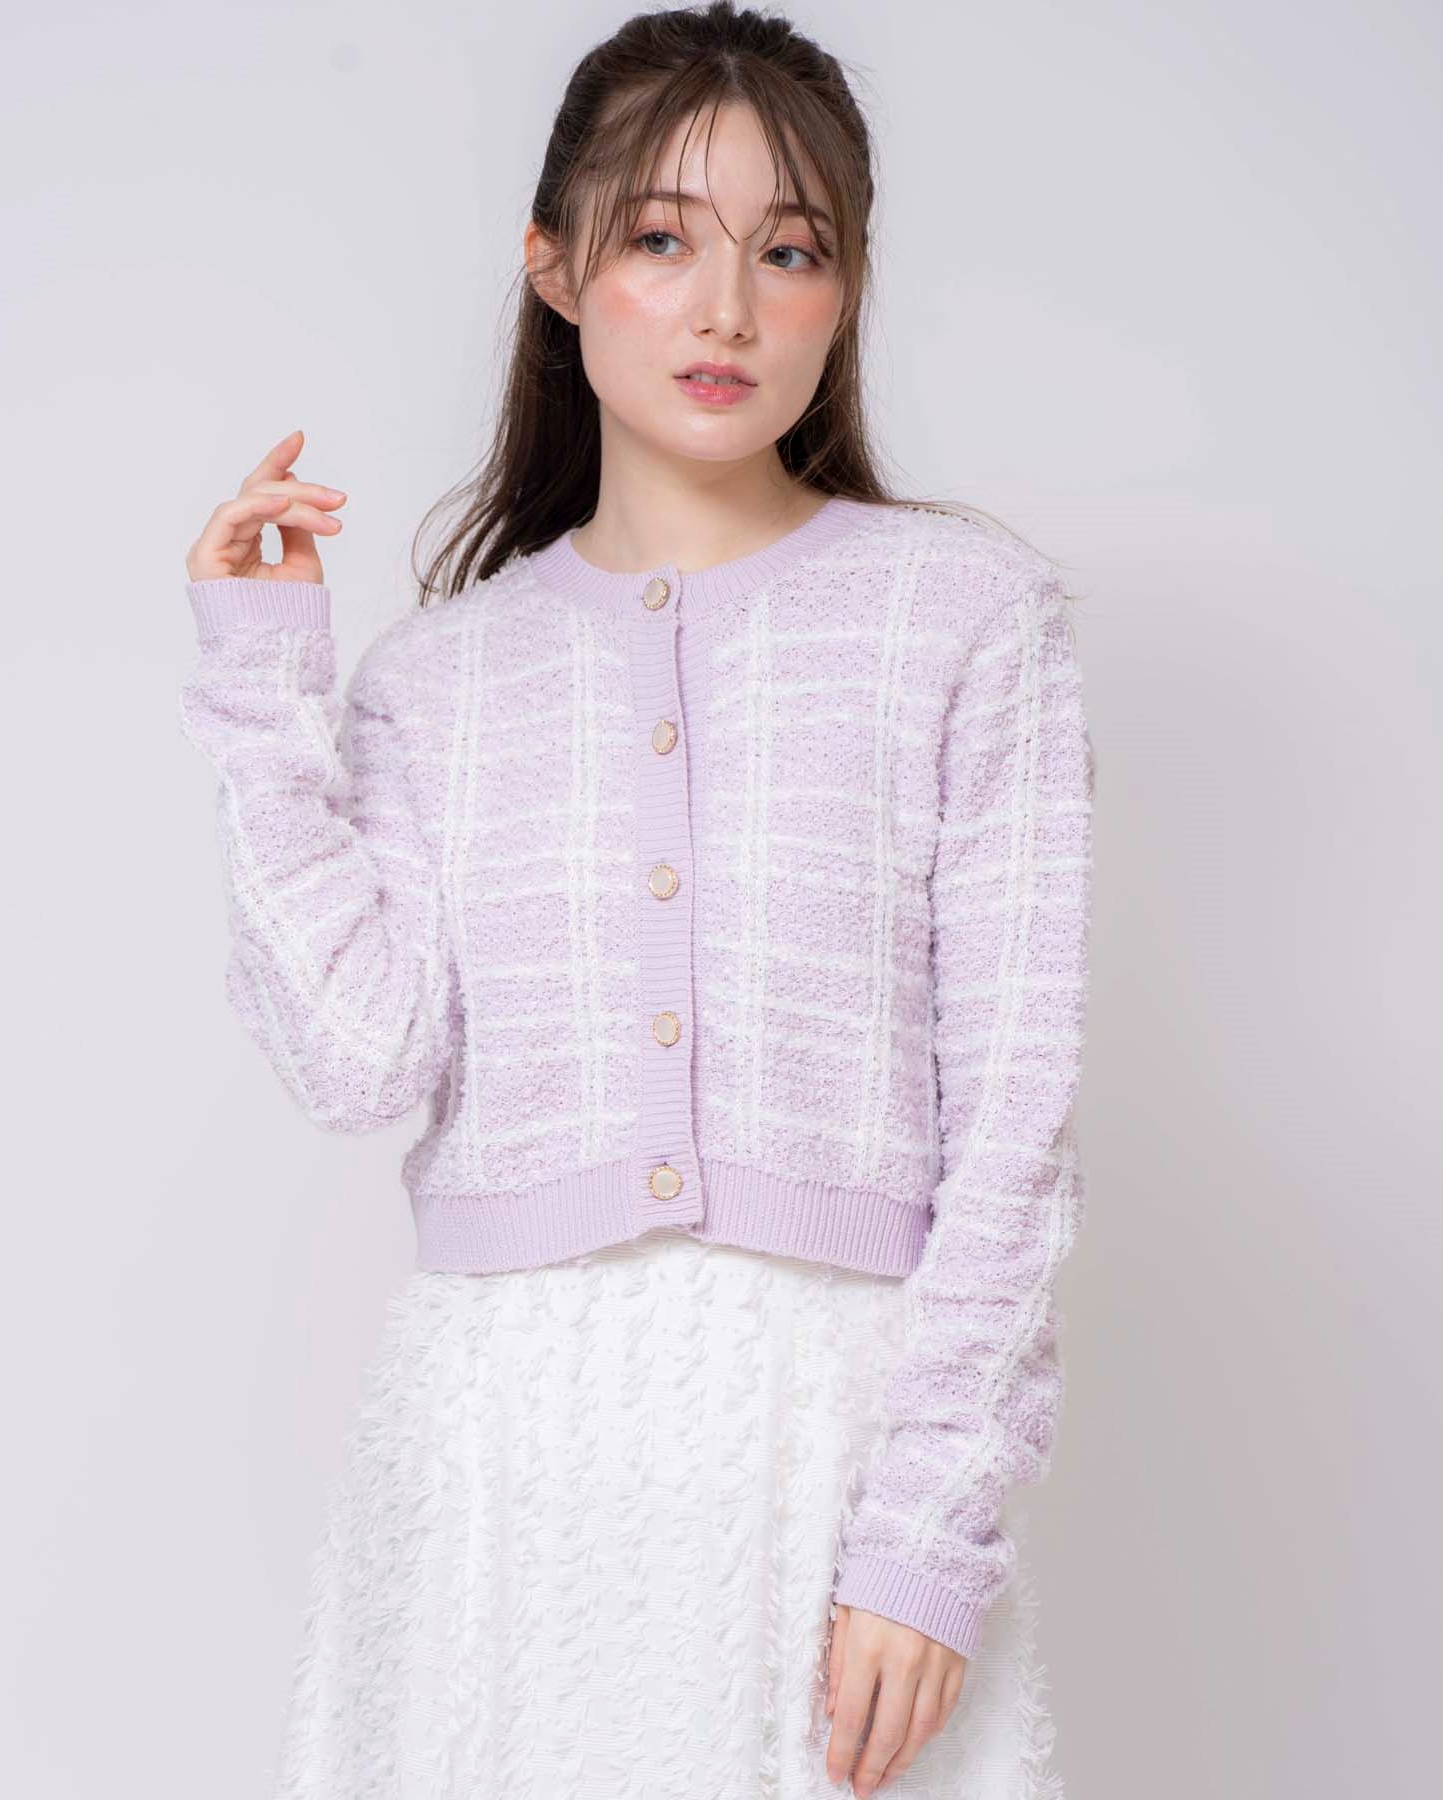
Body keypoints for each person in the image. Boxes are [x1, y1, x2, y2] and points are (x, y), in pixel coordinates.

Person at [178, 5, 1095, 1796]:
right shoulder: (439, 681)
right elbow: (361, 1059)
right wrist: (266, 694)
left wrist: (927, 1536)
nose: (728, 309)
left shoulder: (965, 621)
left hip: (823, 1447)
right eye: (664, 239)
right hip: (495, 1475)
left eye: (790, 252)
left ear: (846, 289)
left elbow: (1017, 1125)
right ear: (555, 268)